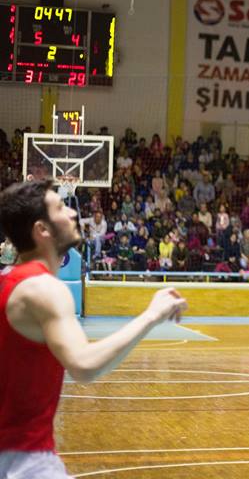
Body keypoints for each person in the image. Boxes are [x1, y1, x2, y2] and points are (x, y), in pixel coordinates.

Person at [0, 181, 187, 478]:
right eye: (60, 208)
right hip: (25, 462)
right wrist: (151, 316)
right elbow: (84, 366)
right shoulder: (44, 288)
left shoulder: (11, 281)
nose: (73, 213)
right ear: (42, 230)